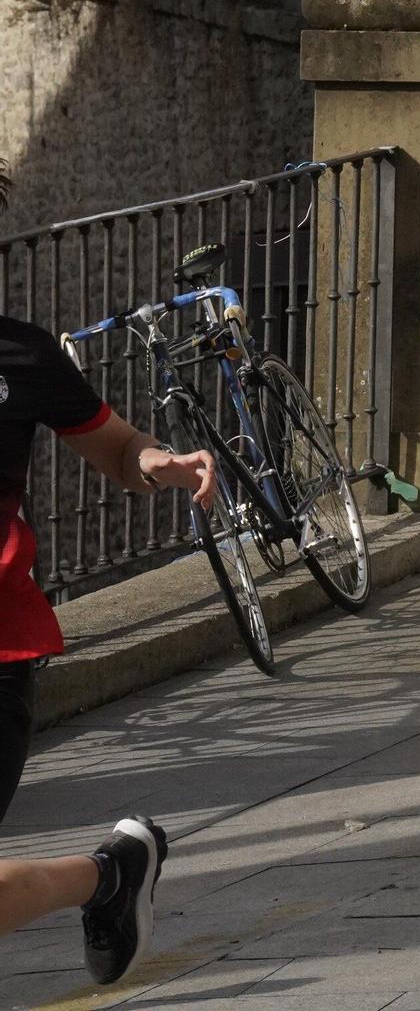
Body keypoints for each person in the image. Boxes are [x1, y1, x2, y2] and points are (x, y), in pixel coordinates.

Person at [1, 315, 219, 982]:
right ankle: (109, 876)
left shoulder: (22, 355)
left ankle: (107, 877)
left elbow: (119, 447)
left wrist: (155, 461)